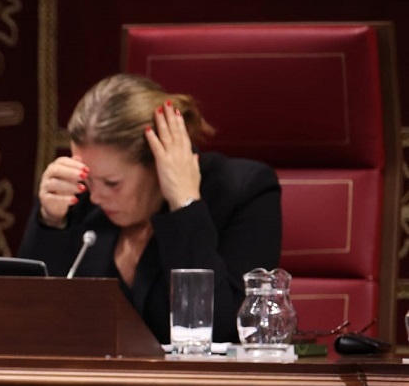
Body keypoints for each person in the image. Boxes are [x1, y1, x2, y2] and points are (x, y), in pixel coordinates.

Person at [18, 73, 282, 343]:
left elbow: (225, 331)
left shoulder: (243, 192)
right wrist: (49, 222)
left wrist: (186, 205)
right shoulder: (78, 198)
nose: (95, 197)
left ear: (159, 161)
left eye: (112, 183)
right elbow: (28, 321)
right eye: (88, 178)